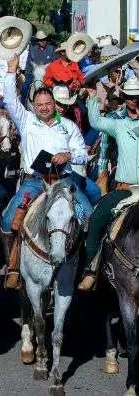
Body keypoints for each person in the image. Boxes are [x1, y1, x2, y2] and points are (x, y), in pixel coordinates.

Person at [0, 54, 93, 289]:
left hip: (64, 181)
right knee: (8, 219)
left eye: (48, 104)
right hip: (35, 182)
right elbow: (10, 100)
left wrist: (69, 156)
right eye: (39, 105)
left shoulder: (68, 126)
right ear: (34, 106)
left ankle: (85, 267)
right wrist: (11, 72)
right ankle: (13, 266)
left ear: (54, 104)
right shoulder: (27, 121)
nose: (44, 108)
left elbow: (83, 153)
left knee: (87, 215)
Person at [79, 77, 139, 290]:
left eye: (138, 97)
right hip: (125, 189)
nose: (135, 100)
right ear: (125, 99)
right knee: (96, 218)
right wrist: (93, 98)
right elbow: (95, 123)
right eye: (131, 97)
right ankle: (91, 269)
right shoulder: (119, 124)